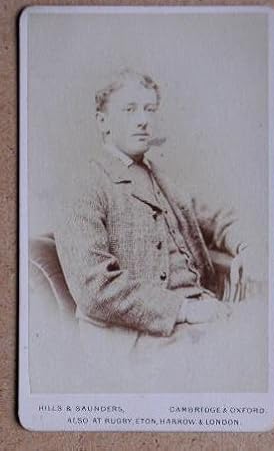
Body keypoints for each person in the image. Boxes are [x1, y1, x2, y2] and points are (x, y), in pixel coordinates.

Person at [55, 69, 250, 388]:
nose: (143, 120)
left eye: (149, 109)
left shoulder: (162, 176)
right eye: (129, 110)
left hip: (195, 319)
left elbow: (217, 219)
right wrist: (184, 309)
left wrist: (249, 246)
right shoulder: (84, 185)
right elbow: (95, 289)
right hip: (133, 341)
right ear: (102, 121)